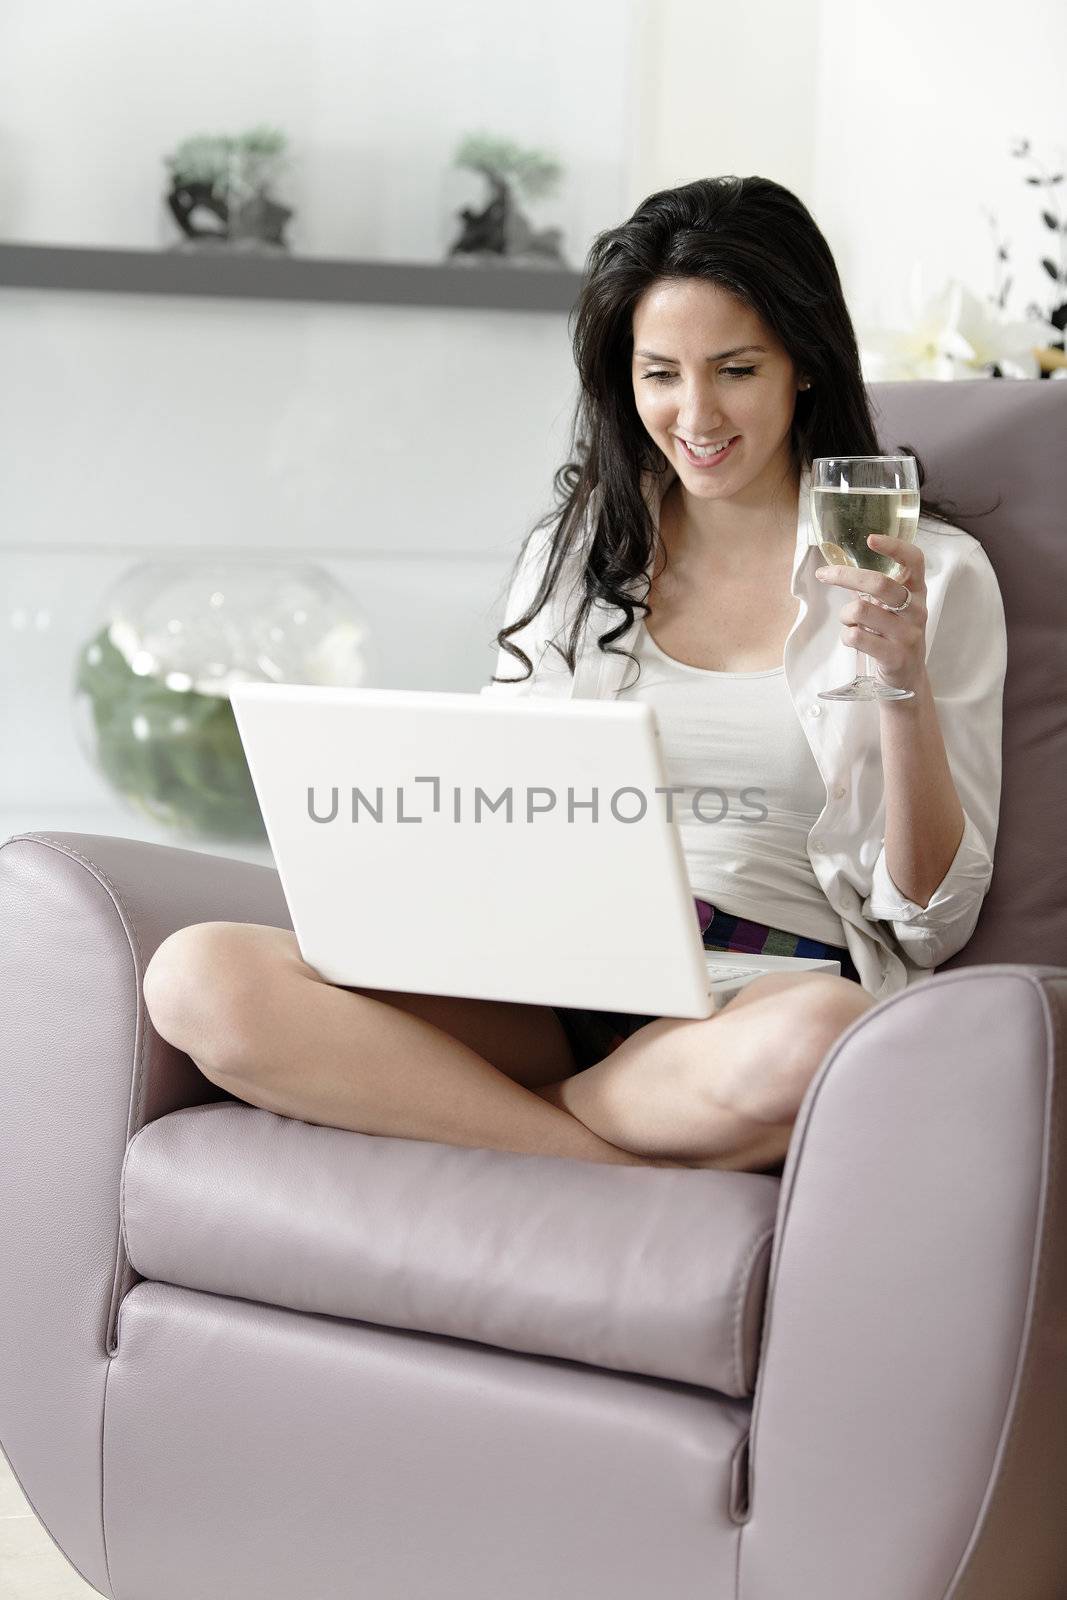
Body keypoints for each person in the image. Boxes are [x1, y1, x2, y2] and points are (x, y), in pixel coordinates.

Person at [142, 176, 1006, 1177]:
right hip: (544, 979)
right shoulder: (580, 546)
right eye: (659, 374)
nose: (694, 414)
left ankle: (480, 1112)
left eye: (733, 369)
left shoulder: (923, 571)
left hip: (752, 998)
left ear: (801, 364)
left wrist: (898, 682)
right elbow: (499, 787)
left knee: (823, 1036)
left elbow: (932, 915)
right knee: (198, 975)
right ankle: (601, 1152)